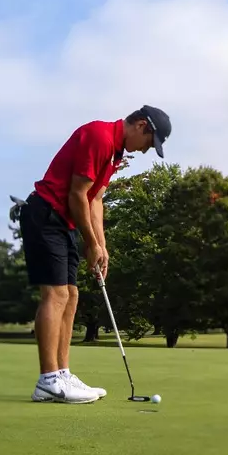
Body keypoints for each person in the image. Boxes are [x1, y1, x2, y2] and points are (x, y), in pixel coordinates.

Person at [15, 105, 171, 403]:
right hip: (45, 215)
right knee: (56, 295)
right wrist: (90, 242)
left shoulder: (114, 154)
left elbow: (95, 199)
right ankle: (48, 380)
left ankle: (61, 374)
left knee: (71, 295)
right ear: (141, 125)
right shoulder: (99, 136)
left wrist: (101, 245)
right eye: (150, 143)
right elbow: (76, 194)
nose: (146, 151)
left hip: (64, 222)